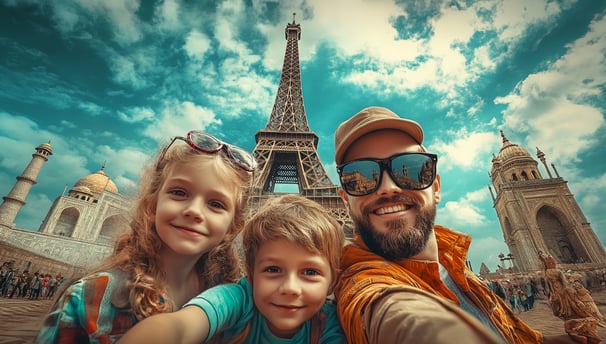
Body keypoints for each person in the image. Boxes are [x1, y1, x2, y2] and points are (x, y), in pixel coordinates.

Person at [332, 106, 580, 343]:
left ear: (436, 187)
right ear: (345, 202)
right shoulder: (365, 286)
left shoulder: (455, 265)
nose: (389, 188)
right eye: (361, 177)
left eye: (412, 169)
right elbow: (394, 314)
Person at [35, 130, 256, 343]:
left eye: (216, 204)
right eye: (179, 193)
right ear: (151, 205)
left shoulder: (231, 299)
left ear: (233, 227)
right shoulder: (88, 299)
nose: (194, 211)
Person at [118, 194, 346, 343]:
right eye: (273, 269)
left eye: (310, 272)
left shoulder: (328, 324)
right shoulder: (237, 299)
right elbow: (181, 326)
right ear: (251, 273)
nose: (290, 288)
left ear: (332, 282)